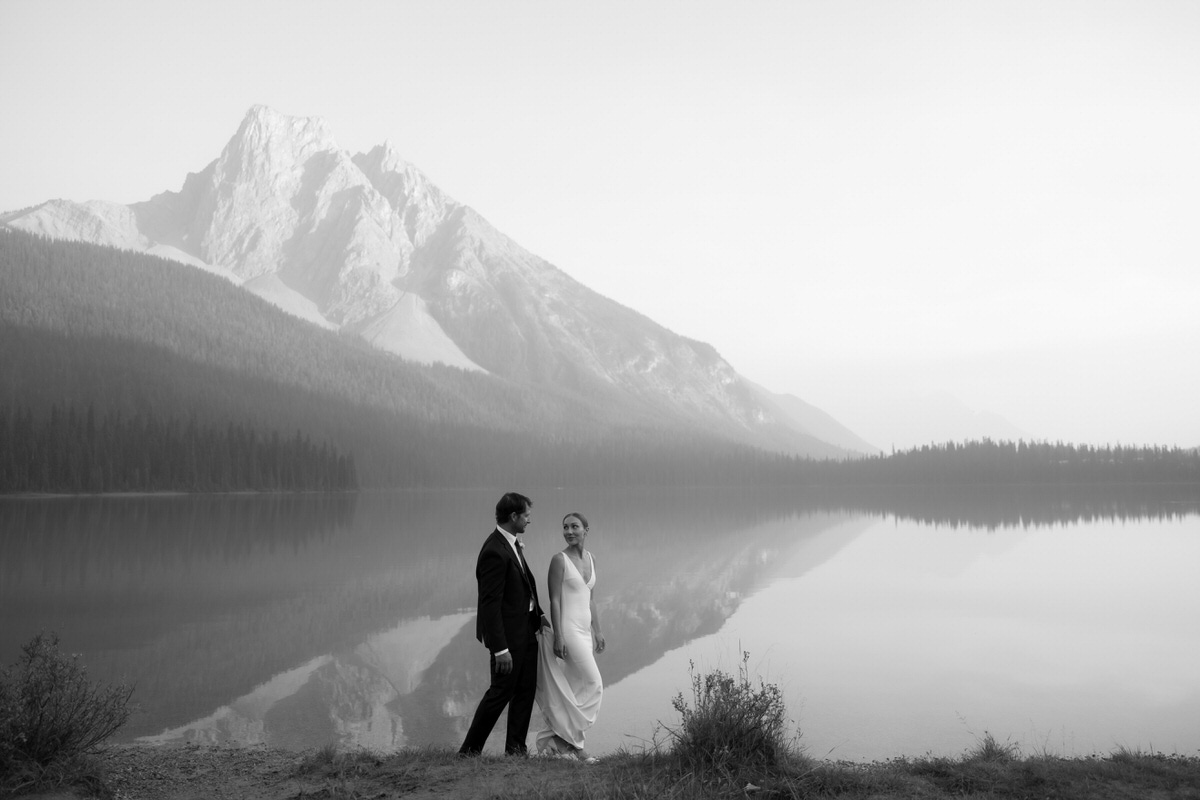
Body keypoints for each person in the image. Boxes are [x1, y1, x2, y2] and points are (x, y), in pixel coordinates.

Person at [459, 492, 549, 756]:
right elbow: (489, 605)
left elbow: (522, 588)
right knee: (500, 693)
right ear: (513, 517)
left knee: (525, 691)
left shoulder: (510, 543)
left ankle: (516, 750)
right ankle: (468, 752)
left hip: (526, 631)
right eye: (526, 516)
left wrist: (539, 614)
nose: (529, 521)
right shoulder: (494, 551)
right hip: (508, 639)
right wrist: (500, 649)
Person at [534, 511, 606, 761]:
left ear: (587, 529)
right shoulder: (559, 560)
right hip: (569, 631)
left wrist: (598, 631)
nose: (569, 531)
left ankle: (561, 742)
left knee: (577, 689)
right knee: (594, 684)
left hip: (586, 631)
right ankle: (565, 741)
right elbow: (554, 600)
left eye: (575, 526)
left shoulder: (592, 559)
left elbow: (591, 600)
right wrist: (559, 636)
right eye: (565, 527)